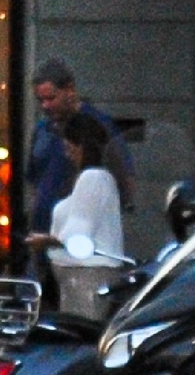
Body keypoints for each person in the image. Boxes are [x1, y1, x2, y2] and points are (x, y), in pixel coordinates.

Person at [23, 58, 125, 234]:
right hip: (43, 232)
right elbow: (34, 181)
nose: (45, 106)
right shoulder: (42, 130)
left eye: (51, 98)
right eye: (40, 100)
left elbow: (123, 179)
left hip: (83, 236)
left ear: (69, 90)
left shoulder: (98, 125)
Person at [31, 111, 125, 269]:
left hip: (87, 275)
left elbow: (77, 235)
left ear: (81, 147)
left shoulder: (92, 178)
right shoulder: (101, 179)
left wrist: (46, 240)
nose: (68, 155)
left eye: (69, 148)